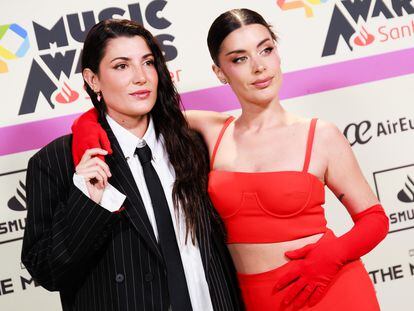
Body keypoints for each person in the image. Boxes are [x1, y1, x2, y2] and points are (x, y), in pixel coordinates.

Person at [71, 9, 389, 311]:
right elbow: (127, 107)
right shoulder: (211, 130)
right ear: (220, 72)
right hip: (254, 299)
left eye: (266, 50)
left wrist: (333, 255)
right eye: (240, 58)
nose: (259, 67)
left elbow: (374, 219)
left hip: (330, 289)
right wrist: (86, 129)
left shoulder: (320, 135)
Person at [21, 19, 243, 311]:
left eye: (147, 62)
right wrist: (88, 201)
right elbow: (47, 271)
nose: (141, 77)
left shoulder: (193, 144)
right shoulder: (58, 161)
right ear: (93, 80)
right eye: (121, 66)